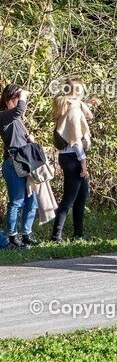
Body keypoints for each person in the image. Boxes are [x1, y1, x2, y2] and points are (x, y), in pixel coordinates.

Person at [51, 80, 95, 242]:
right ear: (78, 91)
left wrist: (87, 105)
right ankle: (56, 236)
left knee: (82, 195)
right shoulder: (73, 109)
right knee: (69, 198)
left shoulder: (68, 105)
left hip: (67, 156)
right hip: (73, 157)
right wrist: (83, 161)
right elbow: (75, 138)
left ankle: (79, 234)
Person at [1, 84, 38, 248]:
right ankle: (12, 236)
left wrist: (29, 138)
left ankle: (26, 234)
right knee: (17, 200)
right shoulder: (3, 115)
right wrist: (23, 95)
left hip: (25, 161)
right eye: (16, 98)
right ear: (9, 98)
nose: (19, 101)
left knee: (32, 200)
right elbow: (19, 110)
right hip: (12, 162)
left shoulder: (16, 119)